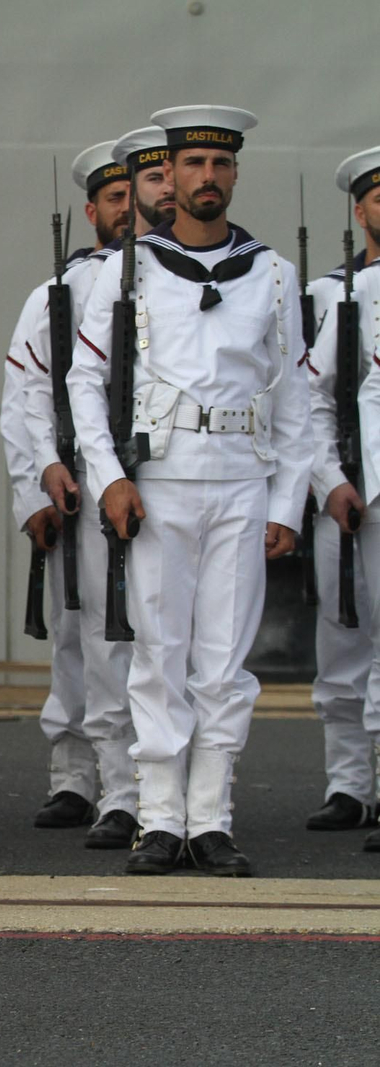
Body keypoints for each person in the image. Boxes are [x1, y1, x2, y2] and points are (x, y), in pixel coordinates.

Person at [68, 105, 312, 876]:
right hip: (160, 483)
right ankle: (160, 817)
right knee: (160, 654)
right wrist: (108, 478)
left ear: (234, 174)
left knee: (224, 662)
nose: (207, 177)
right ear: (166, 175)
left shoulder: (274, 274)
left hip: (241, 479)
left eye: (221, 164)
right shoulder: (126, 267)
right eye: (193, 164)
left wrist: (285, 504)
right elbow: (86, 382)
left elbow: (298, 401)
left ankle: (211, 817)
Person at [0, 139, 129, 835]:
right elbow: (25, 395)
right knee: (78, 636)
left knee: (133, 641)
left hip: (152, 478)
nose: (129, 210)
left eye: (138, 195)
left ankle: (130, 785)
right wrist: (36, 486)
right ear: (91, 211)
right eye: (115, 198)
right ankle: (77, 776)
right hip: (79, 489)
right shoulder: (62, 291)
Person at [303, 145, 380, 833]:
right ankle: (349, 784)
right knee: (343, 642)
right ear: (360, 211)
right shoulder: (333, 294)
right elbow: (310, 399)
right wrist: (329, 481)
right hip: (353, 494)